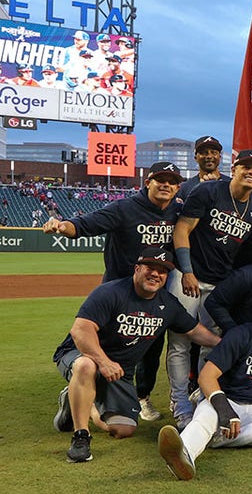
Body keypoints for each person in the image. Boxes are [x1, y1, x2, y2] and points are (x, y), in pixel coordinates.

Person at [43, 161, 184, 421]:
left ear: (177, 187)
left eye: (172, 181)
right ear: (148, 182)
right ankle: (83, 383)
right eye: (160, 179)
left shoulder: (178, 211)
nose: (166, 184)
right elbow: (85, 224)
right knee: (104, 341)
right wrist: (63, 226)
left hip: (154, 292)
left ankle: (142, 397)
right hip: (118, 292)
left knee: (152, 347)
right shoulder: (125, 208)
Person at [52, 249, 220, 463]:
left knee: (124, 429)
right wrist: (103, 362)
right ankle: (81, 438)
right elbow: (80, 331)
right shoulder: (110, 292)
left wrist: (227, 345)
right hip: (82, 356)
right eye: (150, 268)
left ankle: (81, 403)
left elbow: (195, 331)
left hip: (120, 372)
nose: (155, 275)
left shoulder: (167, 304)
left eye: (162, 271)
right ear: (137, 269)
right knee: (86, 366)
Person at [157, 288, 252, 480]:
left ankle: (214, 439)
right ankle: (184, 454)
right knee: (206, 417)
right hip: (228, 399)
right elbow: (206, 376)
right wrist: (225, 410)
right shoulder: (240, 334)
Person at [168, 149, 252, 427]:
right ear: (234, 168)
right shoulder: (208, 192)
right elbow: (182, 229)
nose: (251, 171)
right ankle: (179, 402)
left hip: (220, 283)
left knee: (211, 344)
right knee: (180, 341)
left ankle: (203, 400)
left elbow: (247, 254)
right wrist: (187, 270)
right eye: (246, 166)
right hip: (188, 276)